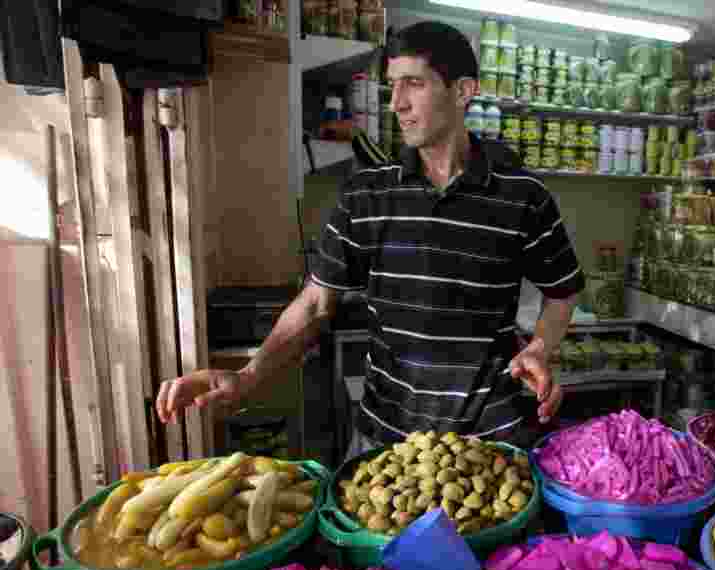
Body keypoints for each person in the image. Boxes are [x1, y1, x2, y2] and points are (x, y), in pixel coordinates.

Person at [156, 21, 584, 454]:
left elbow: (562, 290)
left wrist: (540, 347)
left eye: (413, 83)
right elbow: (315, 302)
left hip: (489, 441)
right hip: (387, 441)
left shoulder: (523, 196)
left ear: (462, 91)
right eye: (393, 85)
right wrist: (250, 375)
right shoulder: (367, 193)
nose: (397, 103)